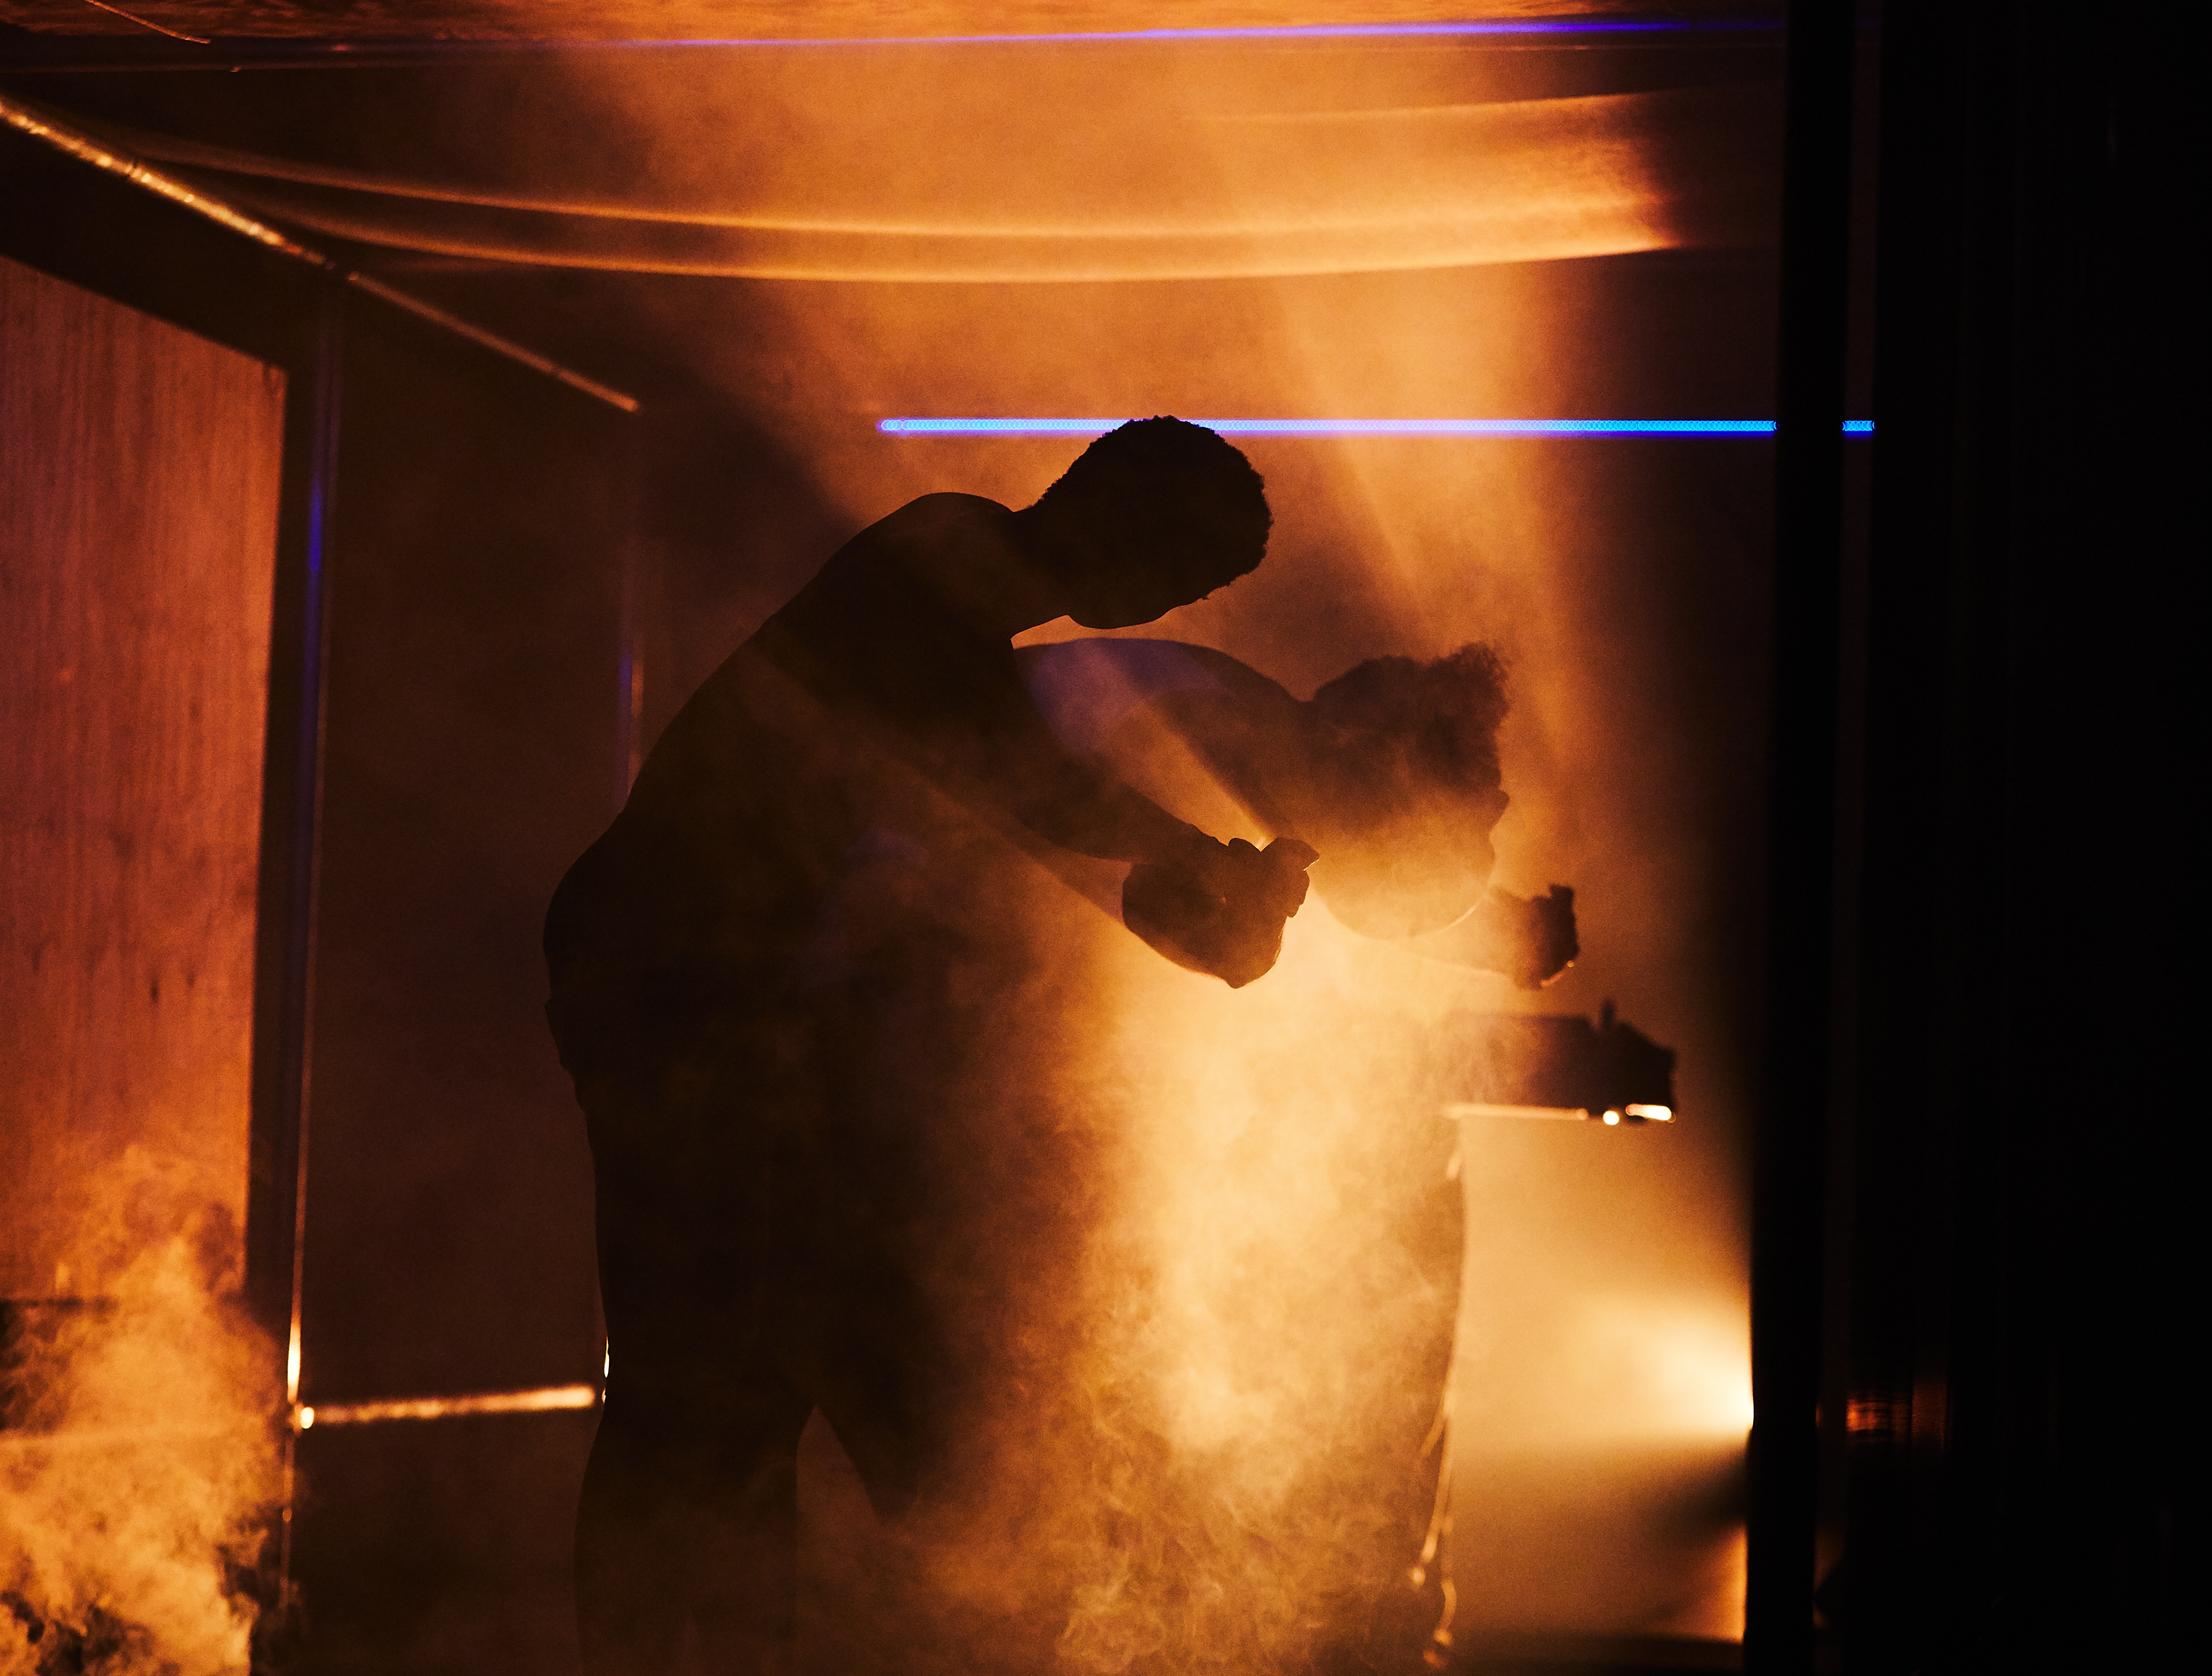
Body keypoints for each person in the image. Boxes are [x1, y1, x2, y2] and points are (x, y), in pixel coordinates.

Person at [542, 420, 1306, 1676]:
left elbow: (1004, 803)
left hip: (701, 990)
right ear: (1119, 510)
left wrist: (1195, 890)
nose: (1173, 601)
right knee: (700, 1375)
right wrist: (1193, 869)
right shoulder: (943, 552)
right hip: (675, 980)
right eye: (1188, 567)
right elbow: (1014, 783)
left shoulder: (959, 604)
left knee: (728, 1378)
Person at [1016, 635, 1578, 990]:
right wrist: (1246, 937)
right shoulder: (1207, 736)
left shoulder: (1259, 751)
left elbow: (1379, 904)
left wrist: (1515, 936)